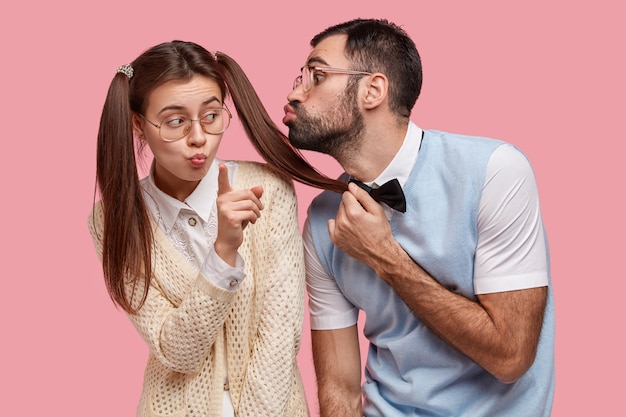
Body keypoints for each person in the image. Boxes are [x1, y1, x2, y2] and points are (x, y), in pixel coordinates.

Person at [282, 18, 555, 417]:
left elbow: (511, 356)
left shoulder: (496, 172)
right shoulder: (322, 219)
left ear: (372, 90)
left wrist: (384, 256)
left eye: (316, 76)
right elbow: (339, 388)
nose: (294, 93)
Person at [88, 40, 344, 417]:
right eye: (176, 121)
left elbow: (280, 335)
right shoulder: (112, 218)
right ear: (139, 125)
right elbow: (177, 351)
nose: (198, 137)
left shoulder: (268, 189)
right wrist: (223, 252)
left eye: (210, 115)